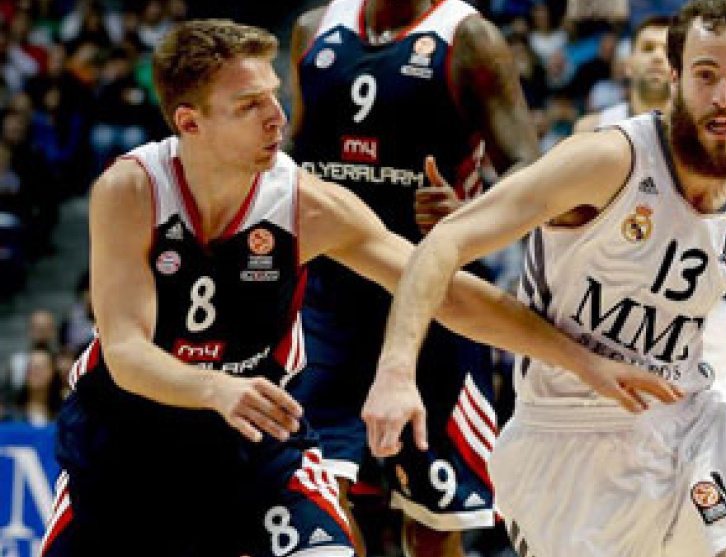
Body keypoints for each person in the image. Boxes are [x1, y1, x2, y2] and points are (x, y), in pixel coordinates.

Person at [40, 19, 675, 557]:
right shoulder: (131, 191)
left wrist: (578, 358)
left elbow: (443, 291)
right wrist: (215, 388)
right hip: (126, 439)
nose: (277, 117)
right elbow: (126, 353)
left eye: (274, 95)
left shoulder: (307, 205)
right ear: (190, 122)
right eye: (249, 105)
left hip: (253, 438)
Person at [365, 2, 726, 556]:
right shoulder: (608, 159)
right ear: (676, 78)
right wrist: (396, 371)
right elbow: (444, 242)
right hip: (565, 439)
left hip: (689, 426)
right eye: (706, 75)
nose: (722, 96)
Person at [286, 0, 539, 555]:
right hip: (326, 299)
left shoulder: (469, 39)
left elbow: (528, 170)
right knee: (318, 500)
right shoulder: (313, 29)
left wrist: (470, 214)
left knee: (434, 523)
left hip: (433, 297)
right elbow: (290, 150)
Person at [575, 13, 726, 430]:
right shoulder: (596, 130)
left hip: (696, 313)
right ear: (627, 63)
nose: (656, 59)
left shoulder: (714, 136)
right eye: (646, 49)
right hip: (611, 310)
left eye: (666, 51)